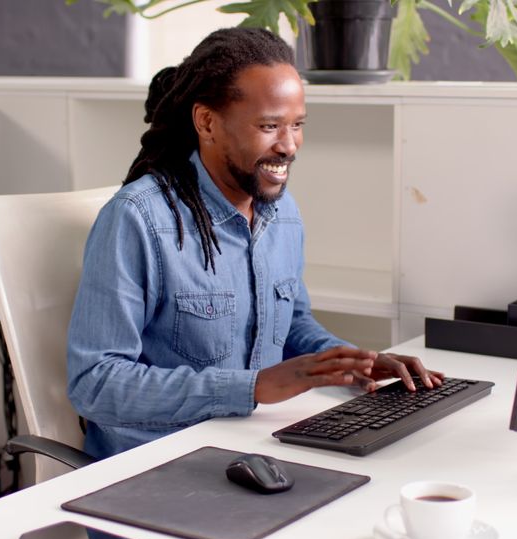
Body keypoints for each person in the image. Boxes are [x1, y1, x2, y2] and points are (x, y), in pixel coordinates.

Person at [67, 27, 442, 460]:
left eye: (297, 125)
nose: (288, 146)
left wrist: (348, 363)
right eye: (269, 126)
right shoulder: (138, 219)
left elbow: (292, 323)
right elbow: (95, 383)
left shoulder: (282, 213)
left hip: (252, 447)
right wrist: (254, 386)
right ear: (207, 122)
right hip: (154, 463)